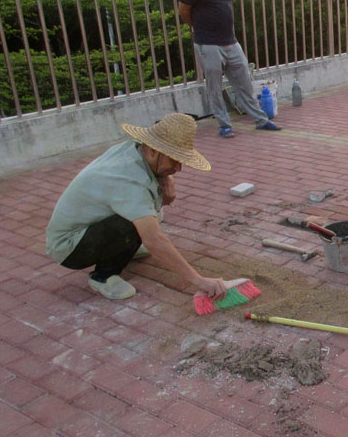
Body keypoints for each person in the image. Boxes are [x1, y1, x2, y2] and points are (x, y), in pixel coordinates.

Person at [46, 113, 229, 301]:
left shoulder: (135, 148)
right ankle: (103, 276)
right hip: (69, 247)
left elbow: (155, 179)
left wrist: (167, 178)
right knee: (139, 221)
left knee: (148, 212)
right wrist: (198, 280)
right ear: (153, 151)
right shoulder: (129, 181)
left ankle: (123, 246)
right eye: (174, 160)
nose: (178, 168)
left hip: (88, 228)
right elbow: (154, 239)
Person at [178, 0, 281, 139]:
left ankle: (260, 120)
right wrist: (196, 27)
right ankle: (224, 125)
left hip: (230, 40)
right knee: (215, 87)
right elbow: (183, 10)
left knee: (244, 82)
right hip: (208, 42)